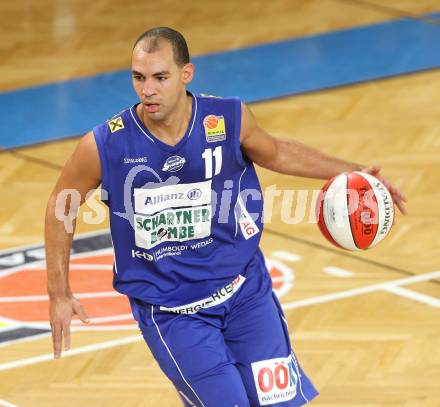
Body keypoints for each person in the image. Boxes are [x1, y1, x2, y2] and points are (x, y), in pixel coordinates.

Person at [45, 27, 407, 407]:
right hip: (174, 314)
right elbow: (60, 206)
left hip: (245, 293)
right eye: (139, 78)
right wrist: (58, 291)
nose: (147, 89)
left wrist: (358, 172)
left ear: (187, 75)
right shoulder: (105, 144)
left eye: (160, 77)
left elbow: (277, 152)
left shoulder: (228, 117)